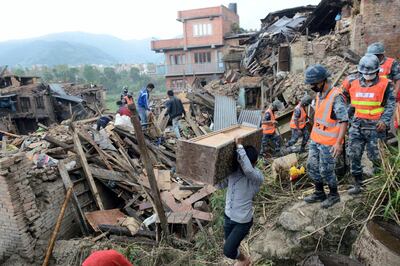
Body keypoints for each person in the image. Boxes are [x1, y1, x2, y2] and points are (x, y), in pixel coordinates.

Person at [347, 54, 395, 195]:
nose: (367, 76)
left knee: (376, 156)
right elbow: (351, 104)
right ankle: (358, 184)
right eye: (364, 73)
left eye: (371, 73)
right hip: (357, 126)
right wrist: (346, 120)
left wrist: (385, 121)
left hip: (376, 126)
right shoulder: (354, 83)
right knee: (354, 154)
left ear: (377, 71)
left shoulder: (386, 84)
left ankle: (380, 182)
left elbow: (391, 104)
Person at [303, 64, 348, 208]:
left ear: (323, 81)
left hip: (329, 142)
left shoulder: (336, 97)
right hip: (316, 139)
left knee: (326, 170)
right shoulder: (319, 94)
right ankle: (319, 192)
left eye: (314, 84)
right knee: (312, 166)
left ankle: (334, 194)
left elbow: (343, 121)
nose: (312, 87)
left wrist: (339, 143)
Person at [217, 138, 263, 266]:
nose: (241, 164)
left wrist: (239, 146)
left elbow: (248, 170)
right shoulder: (234, 172)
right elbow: (221, 185)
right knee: (231, 245)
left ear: (254, 163)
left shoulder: (257, 177)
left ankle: (244, 260)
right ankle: (243, 258)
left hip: (242, 222)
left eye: (243, 162)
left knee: (228, 250)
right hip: (228, 216)